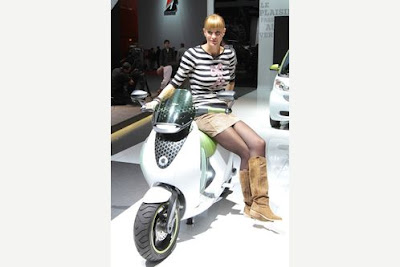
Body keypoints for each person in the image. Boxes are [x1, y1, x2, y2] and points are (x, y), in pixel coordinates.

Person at [145, 14, 281, 221]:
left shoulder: (229, 55)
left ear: (224, 32)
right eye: (210, 32)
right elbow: (175, 82)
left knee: (258, 143)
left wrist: (227, 101)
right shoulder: (193, 55)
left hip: (222, 112)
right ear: (204, 32)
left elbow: (232, 80)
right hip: (202, 112)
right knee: (245, 151)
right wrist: (156, 100)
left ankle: (260, 204)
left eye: (218, 32)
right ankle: (250, 204)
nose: (213, 36)